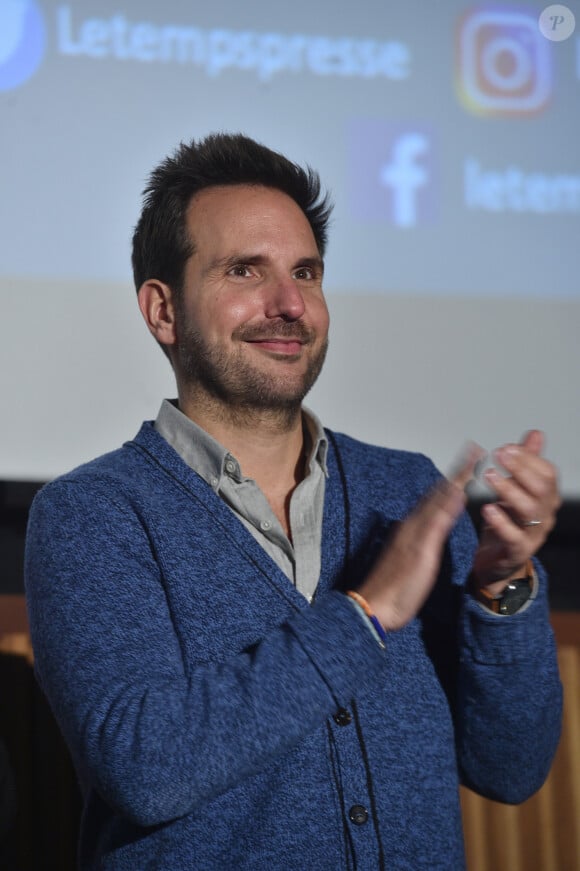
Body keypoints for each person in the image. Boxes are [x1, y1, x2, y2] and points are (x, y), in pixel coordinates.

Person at [25, 133, 562, 871]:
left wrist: (500, 589)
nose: (289, 304)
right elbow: (144, 768)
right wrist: (363, 614)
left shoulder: (404, 490)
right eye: (245, 269)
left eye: (305, 273)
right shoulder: (92, 514)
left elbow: (510, 767)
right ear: (163, 310)